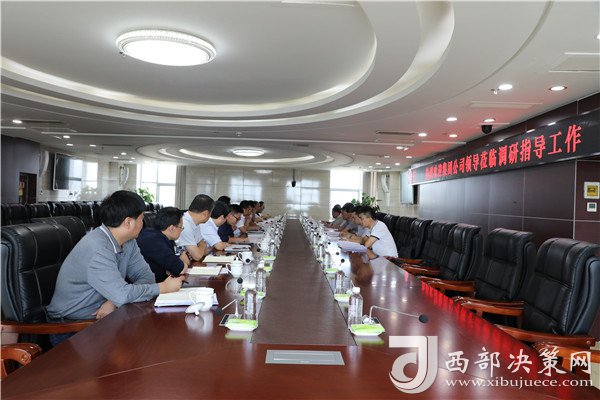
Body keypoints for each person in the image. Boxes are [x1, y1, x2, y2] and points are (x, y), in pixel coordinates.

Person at [46, 191, 184, 346]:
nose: (143, 223)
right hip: (72, 327)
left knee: (153, 340)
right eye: (141, 218)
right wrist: (162, 288)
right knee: (148, 346)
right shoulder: (98, 248)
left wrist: (114, 300)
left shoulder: (129, 242)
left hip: (106, 319)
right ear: (128, 222)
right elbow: (123, 294)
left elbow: (146, 276)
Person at [137, 207, 189, 282]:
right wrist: (177, 266)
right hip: (148, 286)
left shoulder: (159, 236)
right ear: (171, 228)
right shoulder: (154, 241)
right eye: (181, 227)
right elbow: (180, 269)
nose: (181, 230)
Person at [176, 194, 215, 261]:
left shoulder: (195, 222)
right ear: (205, 213)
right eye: (211, 213)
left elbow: (203, 245)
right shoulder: (184, 224)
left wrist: (200, 248)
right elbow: (197, 256)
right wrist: (201, 247)